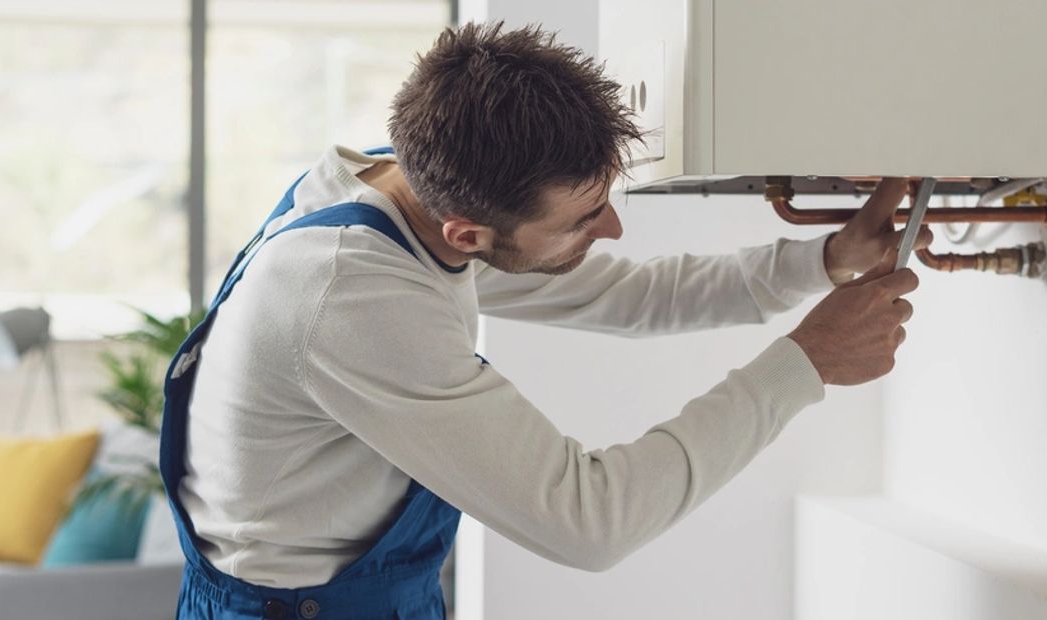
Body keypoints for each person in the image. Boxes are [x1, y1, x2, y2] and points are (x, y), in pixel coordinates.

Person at [159, 21, 932, 619]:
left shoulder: (397, 183)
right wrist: (806, 362)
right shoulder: (353, 297)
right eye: (584, 218)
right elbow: (589, 521)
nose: (612, 232)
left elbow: (624, 295)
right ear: (467, 234)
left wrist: (826, 259)